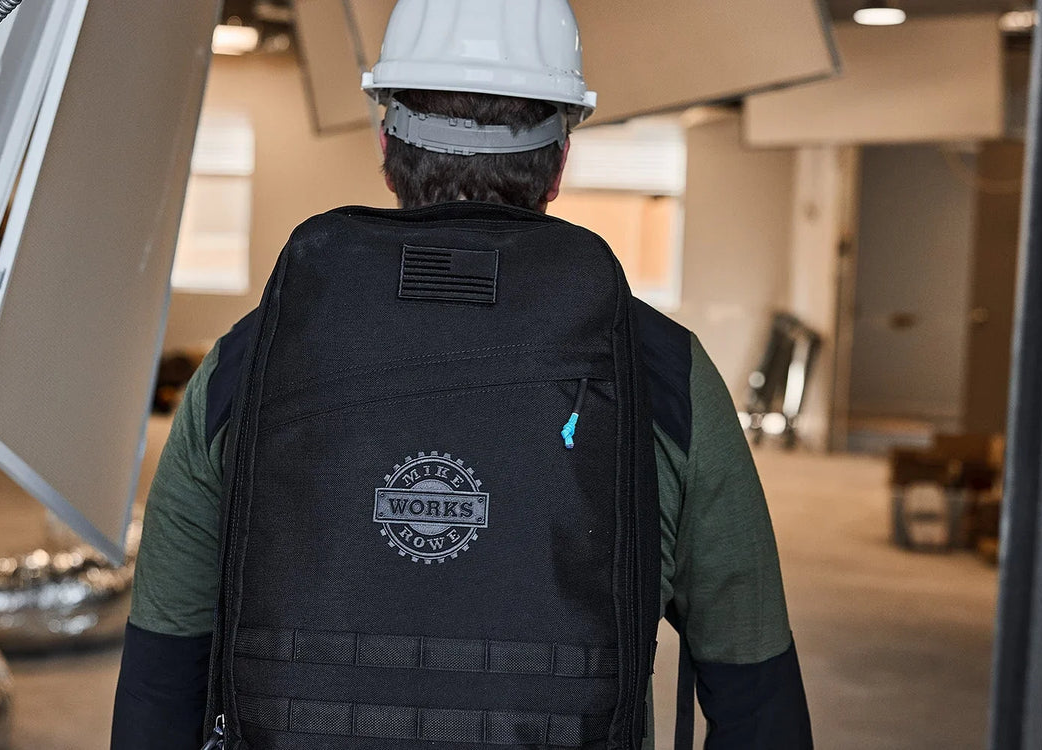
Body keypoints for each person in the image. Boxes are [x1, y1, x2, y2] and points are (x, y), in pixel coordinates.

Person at [112, 1, 811, 747]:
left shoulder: (243, 364)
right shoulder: (664, 371)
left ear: (386, 146)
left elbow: (163, 668)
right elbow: (753, 683)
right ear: (560, 160)